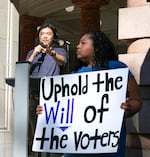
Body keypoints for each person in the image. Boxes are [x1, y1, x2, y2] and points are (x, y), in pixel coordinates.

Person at [36, 30, 142, 157]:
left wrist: (130, 107)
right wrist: (47, 111)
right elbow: (65, 109)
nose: (78, 46)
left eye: (83, 43)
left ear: (96, 47)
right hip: (76, 147)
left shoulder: (117, 68)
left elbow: (136, 100)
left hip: (107, 145)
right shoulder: (74, 75)